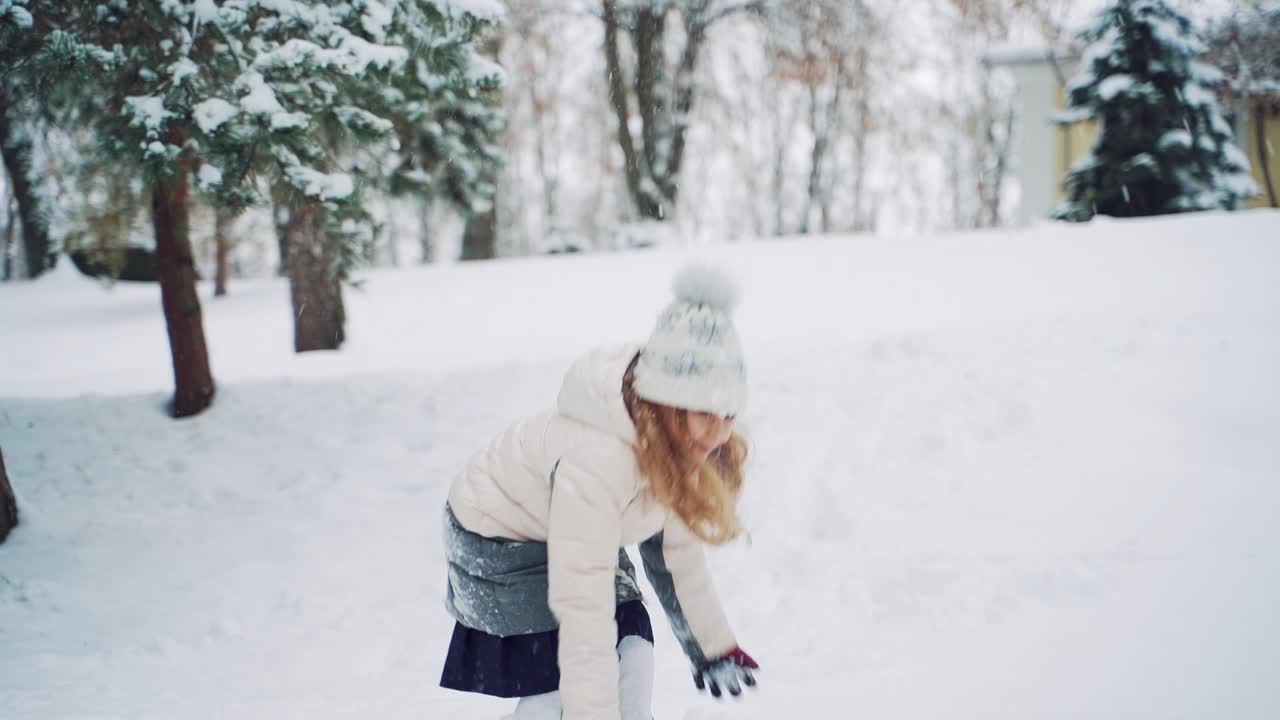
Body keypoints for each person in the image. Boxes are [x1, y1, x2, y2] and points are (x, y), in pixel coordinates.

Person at [439, 262, 760, 720]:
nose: (718, 432)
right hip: (496, 536)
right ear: (669, 405)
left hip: (563, 528)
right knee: (559, 681)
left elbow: (676, 557)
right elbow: (581, 605)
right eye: (705, 413)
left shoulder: (679, 446)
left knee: (632, 648)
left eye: (728, 415)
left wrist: (712, 648)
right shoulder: (600, 459)